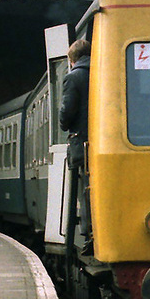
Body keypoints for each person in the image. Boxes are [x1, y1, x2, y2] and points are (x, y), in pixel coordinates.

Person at [59, 39, 92, 249]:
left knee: (86, 190)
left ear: (73, 59)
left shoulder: (73, 77)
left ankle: (90, 235)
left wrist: (63, 121)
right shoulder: (105, 71)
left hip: (84, 145)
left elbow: (66, 114)